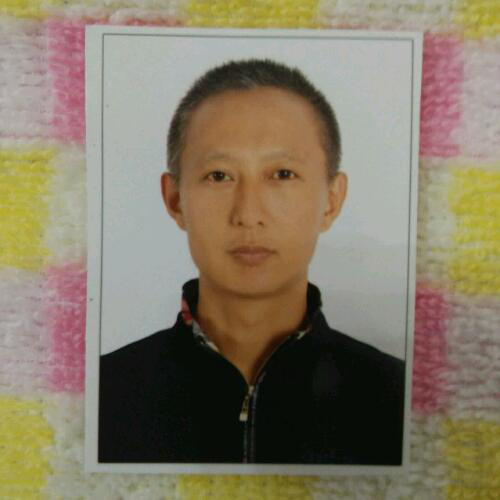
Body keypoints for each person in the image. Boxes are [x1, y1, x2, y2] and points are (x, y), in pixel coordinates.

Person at [99, 59, 405, 465]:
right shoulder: (97, 396)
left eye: (282, 174)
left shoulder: (402, 399)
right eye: (219, 176)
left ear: (332, 200)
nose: (248, 214)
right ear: (175, 199)